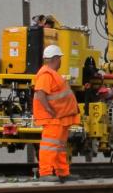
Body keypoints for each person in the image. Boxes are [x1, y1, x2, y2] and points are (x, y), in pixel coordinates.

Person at [33, 44, 80, 182]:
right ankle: (45, 173)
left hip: (59, 117)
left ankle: (63, 172)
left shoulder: (51, 74)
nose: (60, 61)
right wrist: (49, 110)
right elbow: (40, 93)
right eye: (59, 58)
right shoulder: (46, 74)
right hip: (52, 117)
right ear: (54, 59)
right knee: (49, 145)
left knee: (59, 147)